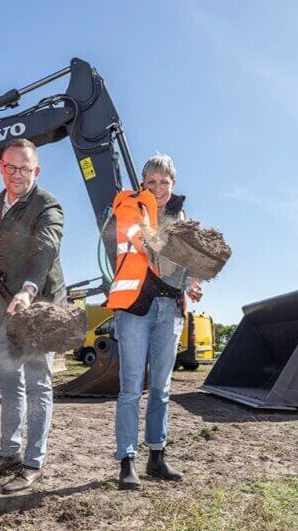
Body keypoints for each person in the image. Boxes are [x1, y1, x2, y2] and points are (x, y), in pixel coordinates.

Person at [0, 138, 65, 494]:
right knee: (8, 379)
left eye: (25, 168)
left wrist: (27, 290)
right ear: (1, 168)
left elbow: (45, 250)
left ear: (36, 171)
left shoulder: (47, 205)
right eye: (10, 167)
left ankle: (32, 463)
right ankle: (9, 452)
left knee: (37, 380)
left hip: (40, 303)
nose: (17, 175)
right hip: (8, 301)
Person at [107, 154, 202, 490]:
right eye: (152, 182)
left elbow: (184, 262)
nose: (159, 189)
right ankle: (127, 461)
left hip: (170, 309)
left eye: (165, 182)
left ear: (173, 184)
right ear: (143, 184)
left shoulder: (182, 216)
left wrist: (192, 282)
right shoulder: (129, 204)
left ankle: (157, 457)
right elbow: (134, 239)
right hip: (136, 308)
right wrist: (151, 214)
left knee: (162, 389)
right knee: (131, 388)